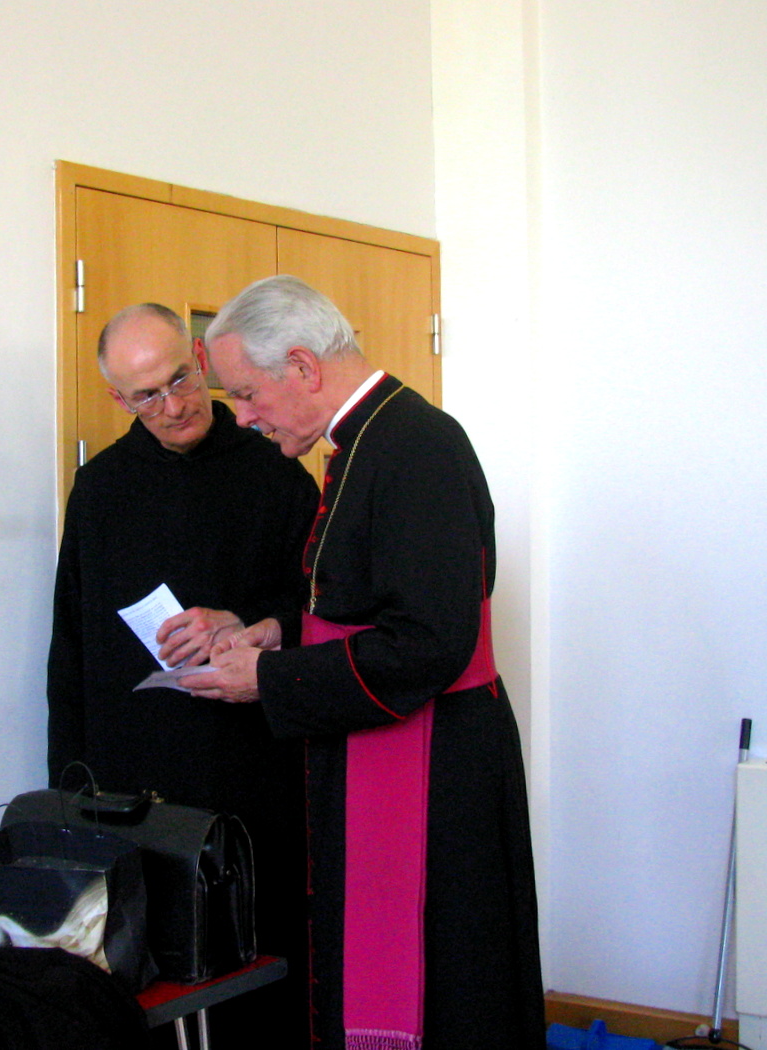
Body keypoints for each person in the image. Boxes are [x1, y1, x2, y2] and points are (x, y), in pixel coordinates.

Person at [184, 276, 546, 1050]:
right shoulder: (367, 440)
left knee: (450, 987)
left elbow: (429, 640)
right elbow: (361, 599)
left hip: (439, 772)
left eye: (245, 393)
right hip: (393, 751)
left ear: (303, 366)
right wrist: (279, 633)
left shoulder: (417, 447)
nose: (241, 417)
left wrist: (269, 681)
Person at [46, 302, 319, 1048]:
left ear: (200, 360)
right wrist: (68, 791)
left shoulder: (277, 471)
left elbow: (323, 612)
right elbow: (71, 645)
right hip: (134, 783)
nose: (172, 407)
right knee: (149, 986)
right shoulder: (100, 489)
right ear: (118, 399)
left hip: (254, 774)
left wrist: (246, 622)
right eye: (146, 397)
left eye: (179, 381)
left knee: (259, 983)